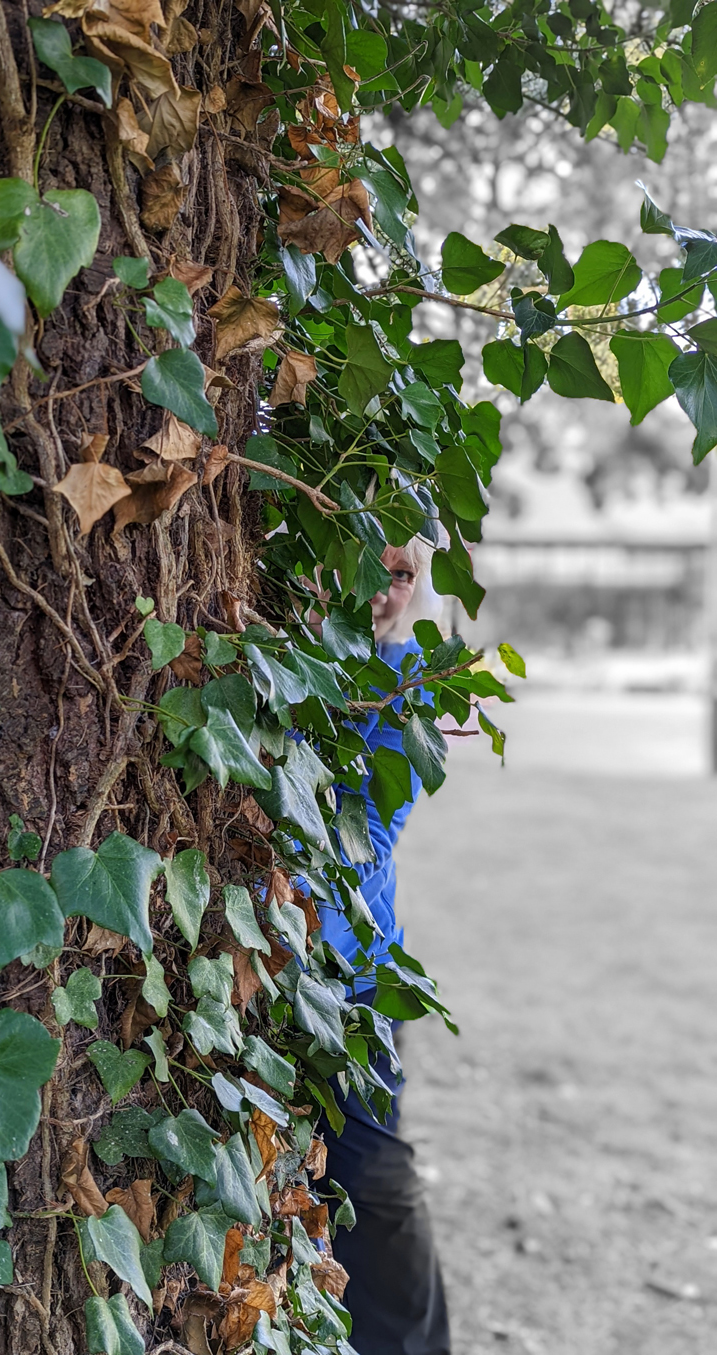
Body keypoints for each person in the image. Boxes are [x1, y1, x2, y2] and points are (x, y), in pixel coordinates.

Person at [317, 537, 452, 1355]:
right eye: (366, 563)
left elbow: (364, 833)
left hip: (358, 981)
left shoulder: (411, 682)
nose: (383, 590)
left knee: (376, 1186)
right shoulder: (279, 660)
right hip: (269, 975)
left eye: (402, 574)